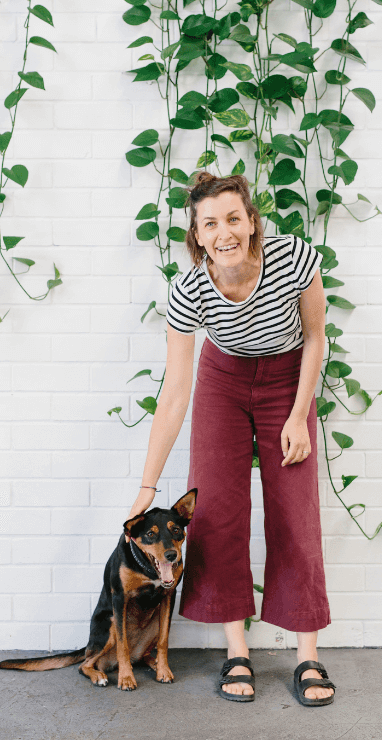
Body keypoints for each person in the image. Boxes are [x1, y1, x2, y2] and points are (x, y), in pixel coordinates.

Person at [126, 172, 336, 705]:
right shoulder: (189, 289)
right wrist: (148, 487)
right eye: (210, 223)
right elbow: (175, 393)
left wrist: (297, 415)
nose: (224, 232)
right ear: (196, 235)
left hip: (289, 378)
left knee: (295, 511)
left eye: (234, 219)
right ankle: (236, 653)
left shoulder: (293, 260)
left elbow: (315, 339)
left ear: (251, 222)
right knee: (216, 510)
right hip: (223, 380)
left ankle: (307, 657)